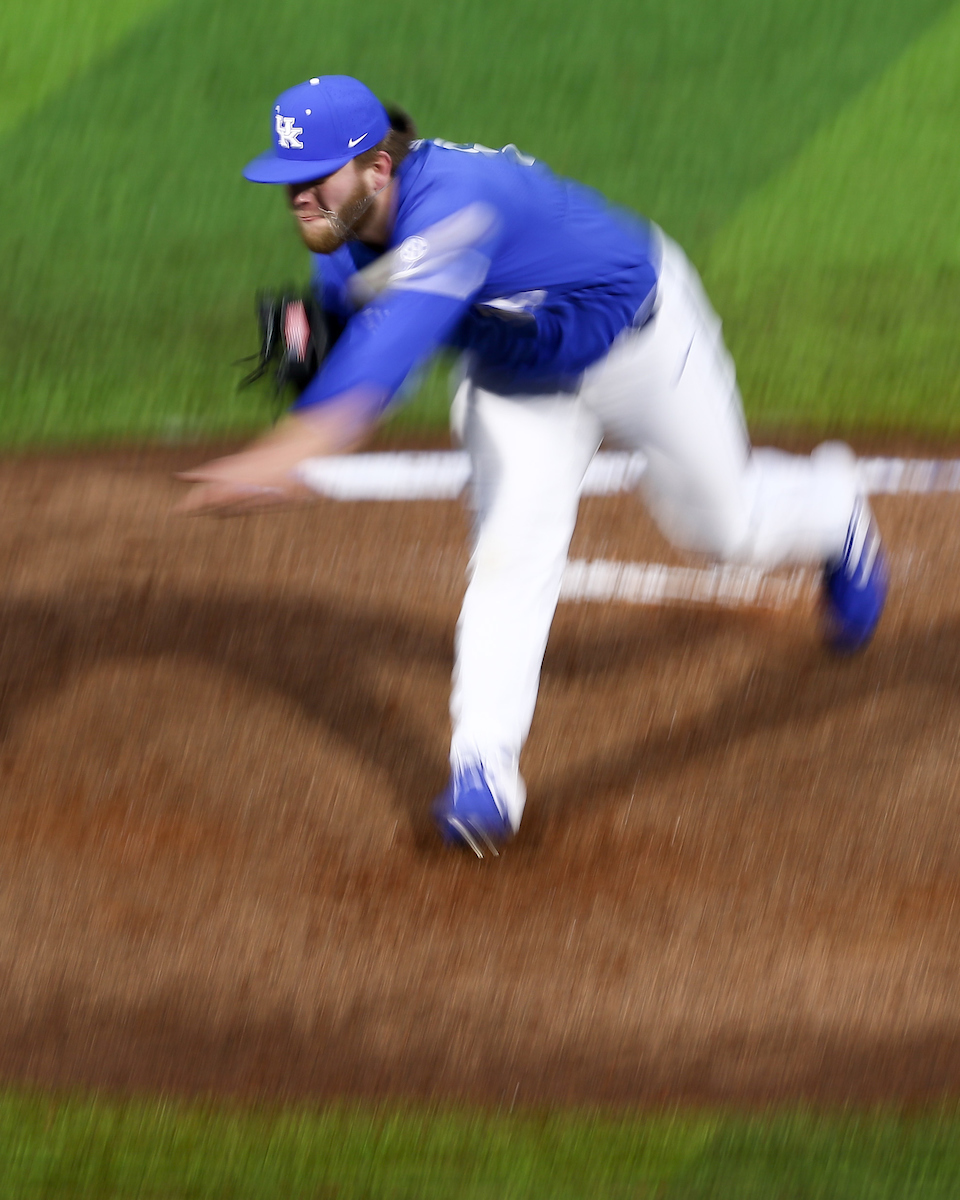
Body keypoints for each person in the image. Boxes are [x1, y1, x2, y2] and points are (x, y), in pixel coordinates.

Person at [180, 74, 888, 857]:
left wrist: (277, 454)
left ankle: (836, 511)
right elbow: (350, 321)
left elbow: (380, 366)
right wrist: (316, 335)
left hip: (640, 345)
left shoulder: (456, 205)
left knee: (725, 529)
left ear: (377, 168)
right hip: (517, 380)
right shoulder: (343, 240)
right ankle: (483, 771)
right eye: (288, 186)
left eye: (313, 180)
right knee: (512, 552)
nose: (298, 202)